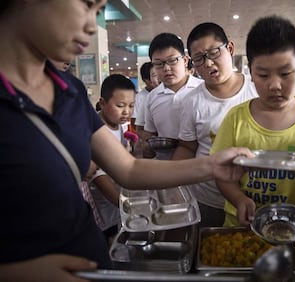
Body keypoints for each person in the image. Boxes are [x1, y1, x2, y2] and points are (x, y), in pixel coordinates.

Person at [0, 1, 254, 281]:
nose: (90, 26)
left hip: (93, 262)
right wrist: (15, 272)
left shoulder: (69, 90)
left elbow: (129, 169)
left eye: (97, 13)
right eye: (85, 5)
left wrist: (211, 166)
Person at [210, 15, 295, 228]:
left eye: (285, 73)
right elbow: (222, 173)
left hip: (291, 227)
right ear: (250, 72)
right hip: (240, 227)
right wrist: (239, 199)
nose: (275, 85)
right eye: (263, 75)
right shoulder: (236, 117)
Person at [171, 22, 258, 227]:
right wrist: (171, 183)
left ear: (230, 49)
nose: (208, 64)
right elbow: (187, 146)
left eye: (213, 53)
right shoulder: (191, 101)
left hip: (257, 193)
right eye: (199, 59)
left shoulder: (256, 90)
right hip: (208, 197)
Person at [89, 74, 136, 243]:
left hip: (116, 200)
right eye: (120, 105)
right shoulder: (97, 131)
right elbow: (97, 177)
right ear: (102, 103)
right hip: (101, 204)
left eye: (131, 106)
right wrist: (124, 205)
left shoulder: (119, 125)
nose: (127, 112)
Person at [143, 32, 203, 160]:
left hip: (201, 167)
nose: (166, 68)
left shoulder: (203, 89)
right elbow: (151, 132)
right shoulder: (152, 97)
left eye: (172, 61)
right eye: (159, 64)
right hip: (166, 168)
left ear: (185, 60)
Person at [131, 62, 159, 157]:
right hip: (149, 142)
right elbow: (135, 123)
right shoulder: (140, 98)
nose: (159, 78)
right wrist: (151, 136)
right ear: (146, 80)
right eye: (154, 75)